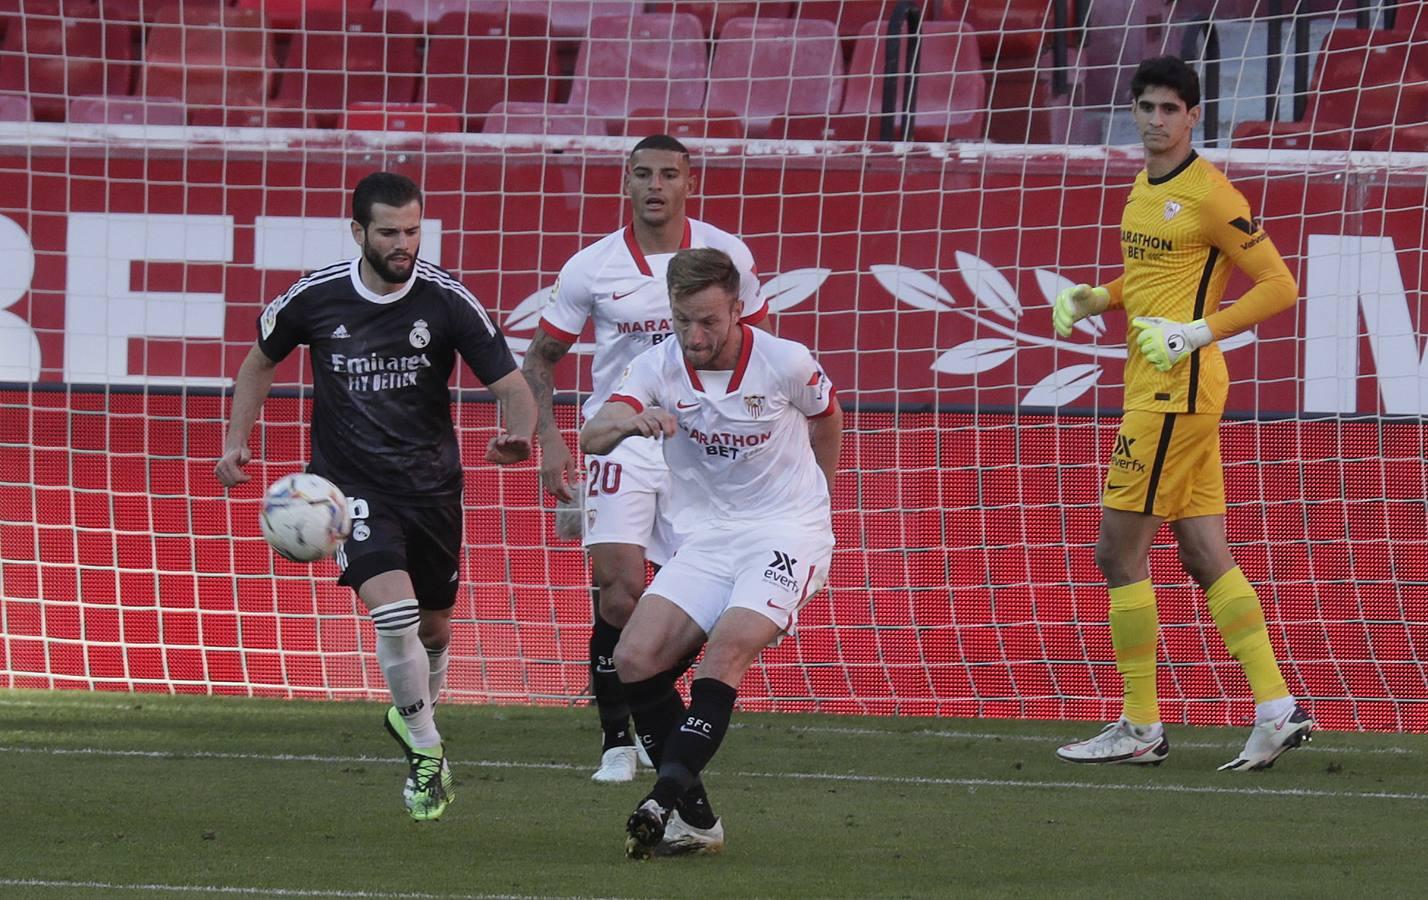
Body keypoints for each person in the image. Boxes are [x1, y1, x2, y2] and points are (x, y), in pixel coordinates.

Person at [215, 171, 536, 820]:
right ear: (358, 231)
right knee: (394, 613)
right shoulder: (316, 298)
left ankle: (415, 718)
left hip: (434, 489)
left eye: (413, 230)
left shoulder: (448, 300)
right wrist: (236, 441)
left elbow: (511, 383)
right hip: (350, 488)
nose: (404, 244)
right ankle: (425, 748)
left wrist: (521, 434)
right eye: (389, 232)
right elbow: (258, 361)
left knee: (436, 628)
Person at [1052, 56, 1312, 771]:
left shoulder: (1210, 195)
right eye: (1146, 107)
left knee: (1116, 551)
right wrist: (1098, 299)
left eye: (1171, 109)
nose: (1157, 121)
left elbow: (1279, 285)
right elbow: (1152, 279)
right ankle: (1276, 707)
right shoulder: (1142, 187)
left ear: (1195, 116)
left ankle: (1140, 724)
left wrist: (1198, 331)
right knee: (1201, 552)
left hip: (1178, 388)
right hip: (1164, 387)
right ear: (1133, 111)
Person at [522, 134, 770, 783]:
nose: (655, 186)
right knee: (618, 593)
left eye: (668, 174)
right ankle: (616, 742)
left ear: (690, 182)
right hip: (621, 440)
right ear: (625, 183)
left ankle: (651, 706)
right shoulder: (592, 267)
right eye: (643, 174)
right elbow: (540, 360)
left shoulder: (725, 257)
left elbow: (761, 354)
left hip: (701, 449)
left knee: (701, 601)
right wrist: (548, 443)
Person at [579, 247, 841, 857]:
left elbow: (827, 419)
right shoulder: (657, 367)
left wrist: (816, 505)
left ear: (738, 309)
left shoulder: (784, 362)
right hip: (709, 537)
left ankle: (661, 801)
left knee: (724, 652)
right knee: (634, 658)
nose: (694, 335)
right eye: (681, 320)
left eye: (709, 321)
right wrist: (629, 422)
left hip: (786, 532)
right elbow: (593, 434)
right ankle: (697, 821)